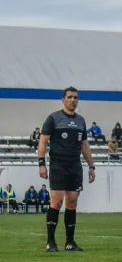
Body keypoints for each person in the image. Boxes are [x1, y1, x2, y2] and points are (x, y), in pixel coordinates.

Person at [38, 86, 96, 252]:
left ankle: (70, 243)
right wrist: (41, 163)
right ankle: (51, 242)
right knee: (56, 202)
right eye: (69, 97)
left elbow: (84, 145)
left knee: (72, 202)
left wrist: (91, 166)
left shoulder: (80, 121)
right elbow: (42, 141)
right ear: (63, 99)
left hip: (75, 166)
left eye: (75, 97)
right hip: (58, 165)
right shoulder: (53, 119)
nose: (73, 100)